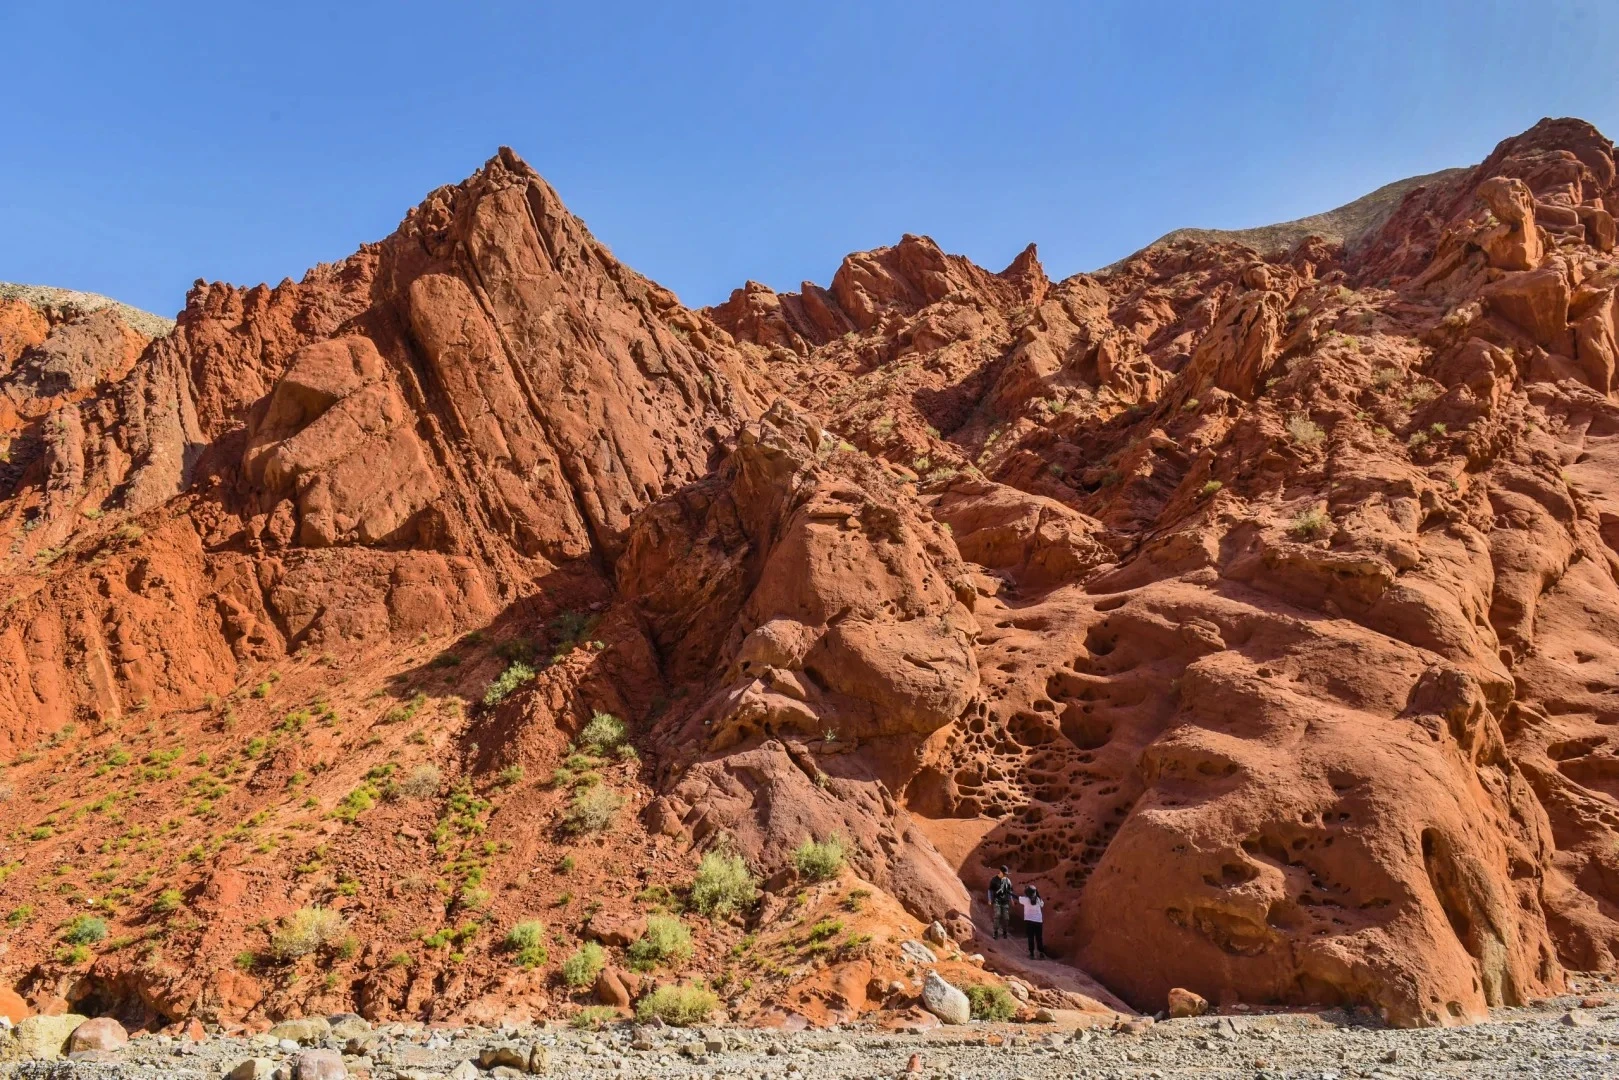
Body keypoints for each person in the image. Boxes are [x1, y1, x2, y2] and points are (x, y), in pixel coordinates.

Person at [1019, 884, 1047, 959]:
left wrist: (1009, 893)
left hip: (1029, 921)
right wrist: (1037, 894)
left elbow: (1018, 898)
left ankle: (1032, 954)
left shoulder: (1025, 899)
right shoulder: (1038, 899)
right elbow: (1042, 905)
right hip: (1038, 921)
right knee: (1039, 938)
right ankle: (1041, 953)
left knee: (1030, 937)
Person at [988, 866, 1014, 940]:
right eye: (1004, 873)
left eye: (1006, 874)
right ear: (1000, 872)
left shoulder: (1008, 880)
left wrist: (1011, 899)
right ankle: (995, 931)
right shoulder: (994, 880)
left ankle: (1004, 931)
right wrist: (990, 899)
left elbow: (1010, 891)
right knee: (997, 914)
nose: (1006, 875)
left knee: (1006, 917)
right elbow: (990, 890)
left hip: (1005, 901)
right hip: (997, 900)